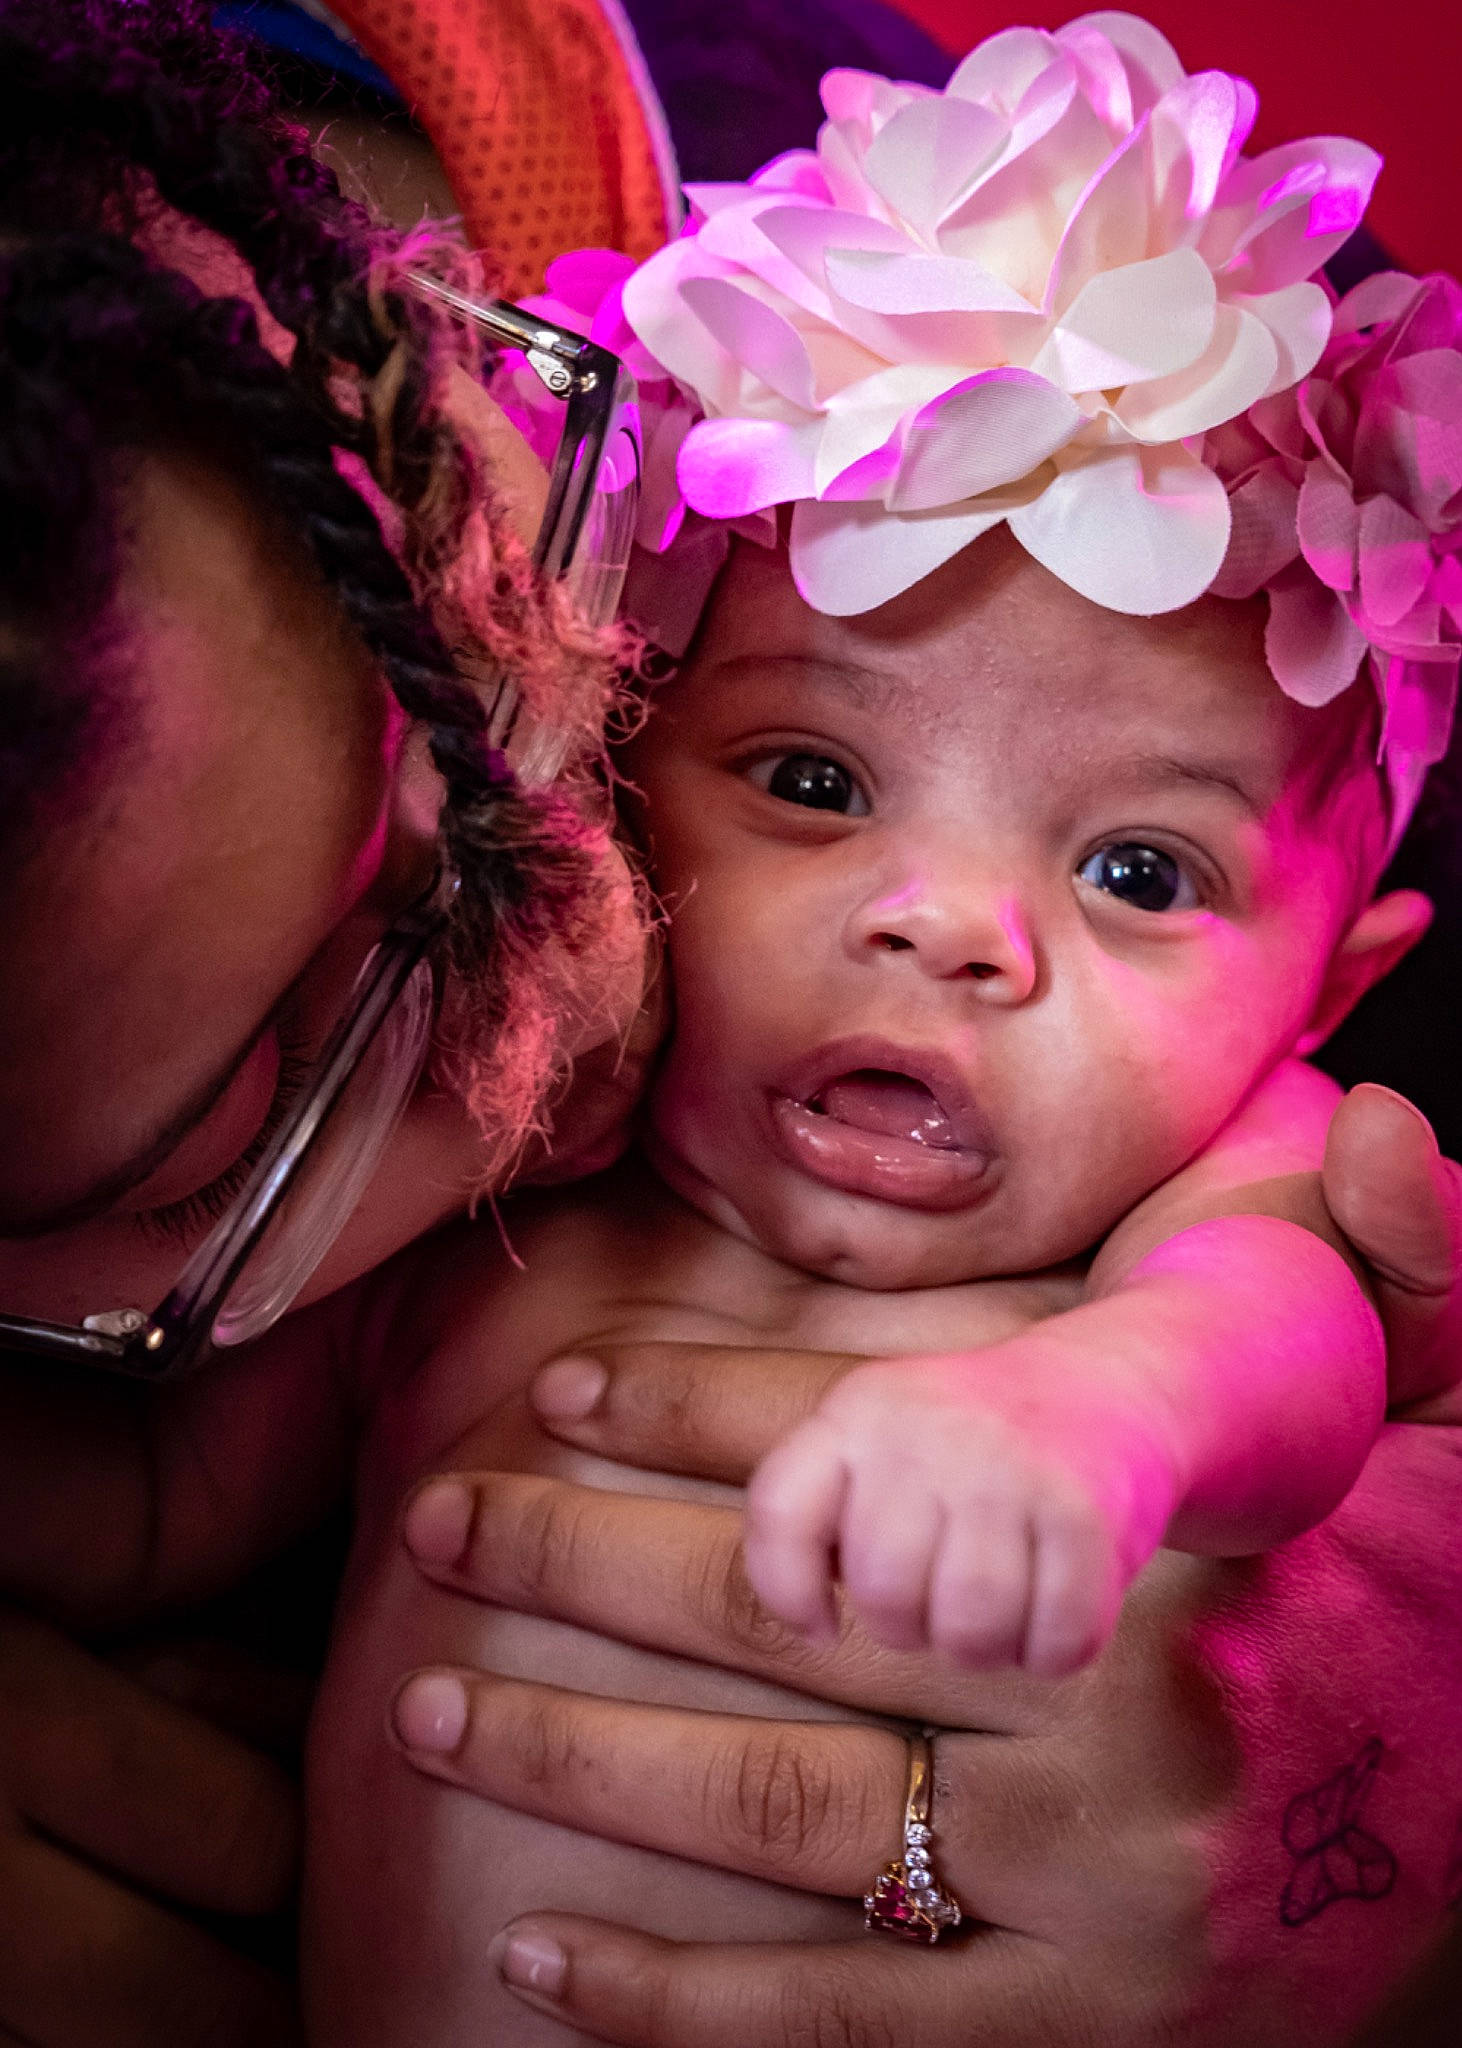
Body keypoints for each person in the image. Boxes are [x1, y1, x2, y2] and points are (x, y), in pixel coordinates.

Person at [1, 7, 1461, 2048]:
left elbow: (1276, 1350)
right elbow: (146, 1509)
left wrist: (1096, 1429)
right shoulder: (493, 1259)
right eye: (806, 783)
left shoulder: (1097, 329)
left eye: (1134, 875)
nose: (941, 927)